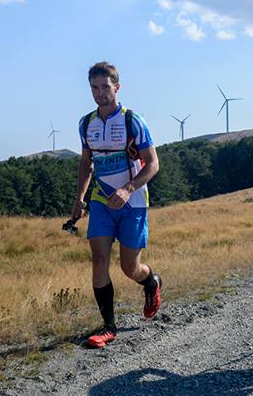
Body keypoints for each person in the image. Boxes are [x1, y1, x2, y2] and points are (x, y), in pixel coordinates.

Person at [69, 61, 162, 348]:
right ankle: (108, 326)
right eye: (94, 88)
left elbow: (153, 163)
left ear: (117, 87)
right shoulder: (86, 123)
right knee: (99, 260)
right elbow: (87, 163)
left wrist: (128, 188)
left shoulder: (133, 120)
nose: (99, 93)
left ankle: (151, 282)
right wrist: (80, 198)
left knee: (129, 267)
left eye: (104, 87)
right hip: (101, 200)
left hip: (132, 202)